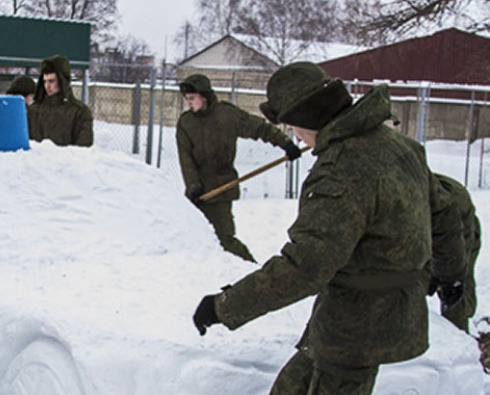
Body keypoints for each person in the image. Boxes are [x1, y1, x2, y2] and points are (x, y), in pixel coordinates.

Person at [191, 62, 466, 394]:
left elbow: (305, 266)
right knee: (291, 387)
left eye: (293, 126)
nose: (295, 136)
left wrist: (224, 306)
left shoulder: (342, 172)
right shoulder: (398, 145)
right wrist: (451, 272)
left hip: (356, 328)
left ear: (308, 117)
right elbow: (445, 212)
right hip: (357, 315)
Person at [175, 73, 301, 263]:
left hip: (222, 187)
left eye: (192, 98)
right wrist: (193, 187)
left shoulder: (227, 115)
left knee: (224, 239)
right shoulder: (186, 123)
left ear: (204, 96)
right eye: (187, 99)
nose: (189, 103)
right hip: (198, 193)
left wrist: (286, 144)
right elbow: (186, 160)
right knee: (195, 241)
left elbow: (260, 128)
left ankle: (250, 269)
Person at [426, 173, 480, 333]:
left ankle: (460, 343)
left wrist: (446, 276)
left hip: (457, 218)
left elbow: (452, 255)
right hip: (425, 217)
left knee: (453, 287)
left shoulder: (448, 204)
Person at [27, 54, 93, 147]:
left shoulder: (79, 112)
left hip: (66, 161)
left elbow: (83, 149)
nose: (47, 86)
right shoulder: (33, 110)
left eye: (51, 81)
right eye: (44, 81)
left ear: (62, 81)